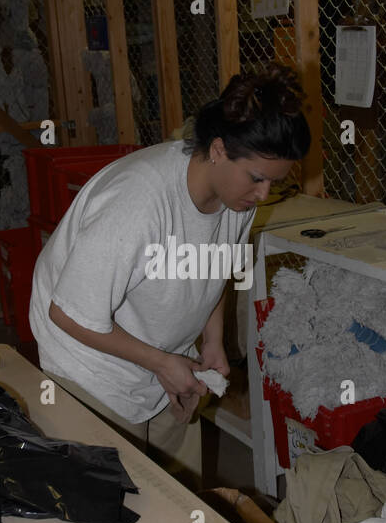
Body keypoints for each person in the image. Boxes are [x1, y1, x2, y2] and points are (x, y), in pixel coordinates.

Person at [29, 64, 311, 484]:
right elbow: (68, 314)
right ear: (218, 150)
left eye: (274, 182)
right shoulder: (138, 201)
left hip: (162, 354)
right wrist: (162, 363)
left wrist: (212, 342)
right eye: (257, 178)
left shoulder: (238, 199)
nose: (263, 195)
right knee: (116, 506)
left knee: (180, 496)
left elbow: (215, 267)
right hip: (90, 364)